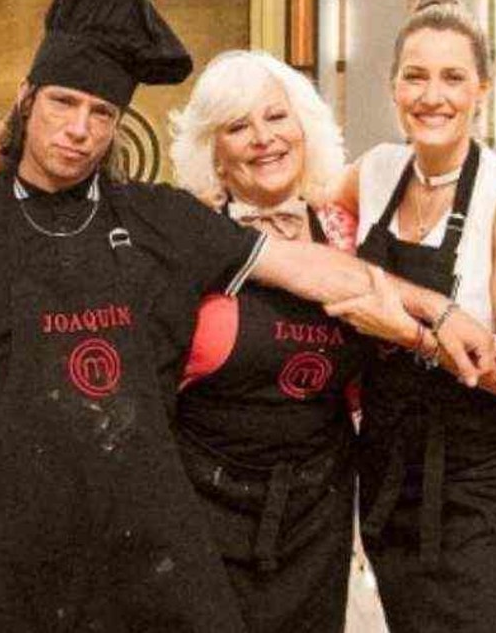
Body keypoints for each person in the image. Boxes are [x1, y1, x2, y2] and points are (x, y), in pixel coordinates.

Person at [0, 0, 496, 630]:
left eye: (101, 112)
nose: (79, 129)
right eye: (63, 102)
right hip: (15, 542)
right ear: (25, 101)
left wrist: (438, 314)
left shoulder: (164, 220)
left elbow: (317, 271)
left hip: (172, 537)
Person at [327, 0, 496, 633]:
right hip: (389, 469)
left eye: (453, 77)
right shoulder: (375, 171)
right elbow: (298, 216)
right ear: (393, 86)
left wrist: (405, 330)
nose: (433, 96)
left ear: (483, 88)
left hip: (482, 481)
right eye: (415, 76)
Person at [166, 49, 364, 632]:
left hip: (317, 510)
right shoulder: (185, 241)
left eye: (277, 117)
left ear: (305, 128)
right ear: (214, 152)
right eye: (237, 126)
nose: (263, 139)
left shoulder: (349, 230)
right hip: (202, 504)